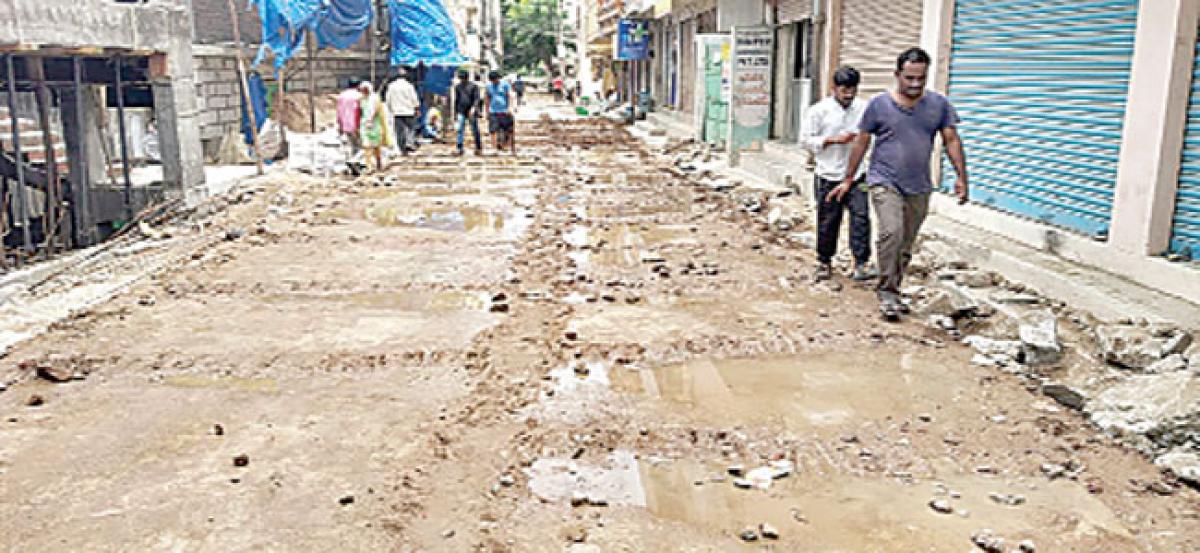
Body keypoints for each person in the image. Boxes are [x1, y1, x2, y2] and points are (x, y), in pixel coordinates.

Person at [830, 47, 969, 321]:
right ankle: (887, 293)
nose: (915, 84)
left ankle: (895, 286)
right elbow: (862, 141)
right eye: (909, 78)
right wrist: (848, 178)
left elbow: (951, 140)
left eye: (921, 78)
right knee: (890, 232)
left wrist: (962, 178)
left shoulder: (939, 105)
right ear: (897, 75)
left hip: (919, 184)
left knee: (906, 244)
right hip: (884, 180)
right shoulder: (879, 105)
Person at [801, 66, 876, 283]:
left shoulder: (864, 109)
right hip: (828, 174)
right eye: (844, 90)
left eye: (852, 90)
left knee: (861, 218)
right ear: (834, 88)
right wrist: (832, 140)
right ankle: (824, 261)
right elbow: (805, 140)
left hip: (856, 175)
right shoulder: (818, 111)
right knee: (828, 220)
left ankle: (861, 263)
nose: (848, 95)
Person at [386, 71, 420, 156]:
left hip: (397, 112)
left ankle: (402, 149)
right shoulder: (409, 86)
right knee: (411, 128)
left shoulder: (391, 86)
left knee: (399, 131)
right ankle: (409, 142)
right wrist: (416, 108)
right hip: (409, 111)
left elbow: (388, 99)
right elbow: (414, 98)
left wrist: (390, 109)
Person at [357, 81, 388, 173]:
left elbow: (376, 110)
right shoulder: (362, 99)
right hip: (364, 125)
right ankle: (368, 166)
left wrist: (371, 120)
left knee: (376, 146)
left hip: (375, 125)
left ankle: (379, 163)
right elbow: (361, 111)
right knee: (366, 146)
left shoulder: (374, 98)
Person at [485, 70, 515, 154]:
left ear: (498, 78)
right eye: (492, 80)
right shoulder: (488, 86)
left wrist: (510, 107)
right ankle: (494, 148)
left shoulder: (505, 85)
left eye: (495, 80)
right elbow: (487, 98)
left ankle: (505, 146)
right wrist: (486, 111)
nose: (494, 82)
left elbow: (509, 96)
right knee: (493, 130)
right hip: (493, 111)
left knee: (506, 129)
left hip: (504, 111)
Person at [454, 70, 483, 155]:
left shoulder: (474, 86)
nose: (462, 80)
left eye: (463, 78)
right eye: (461, 78)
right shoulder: (458, 87)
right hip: (461, 110)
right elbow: (457, 99)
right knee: (460, 129)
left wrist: (474, 108)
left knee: (474, 129)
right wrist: (456, 112)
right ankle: (459, 147)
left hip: (471, 110)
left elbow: (477, 99)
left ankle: (478, 147)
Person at [336, 78, 363, 170]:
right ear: (358, 85)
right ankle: (354, 161)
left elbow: (339, 111)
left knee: (353, 145)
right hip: (357, 124)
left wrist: (340, 125)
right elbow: (361, 110)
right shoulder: (359, 96)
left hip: (345, 124)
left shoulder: (342, 96)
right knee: (363, 146)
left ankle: (355, 167)